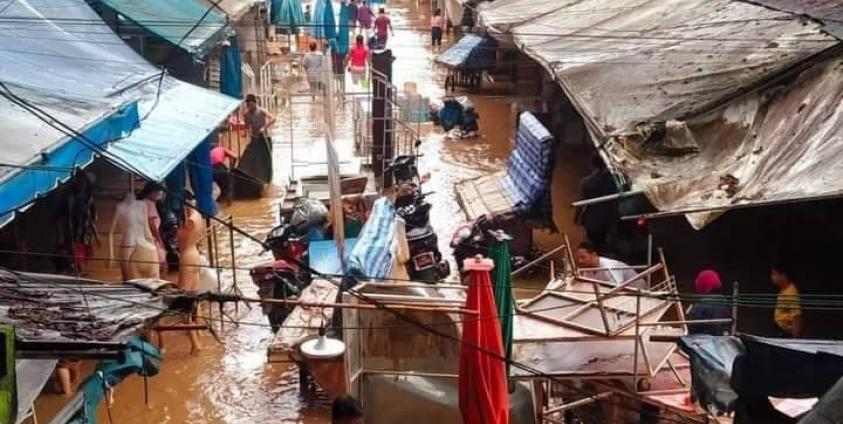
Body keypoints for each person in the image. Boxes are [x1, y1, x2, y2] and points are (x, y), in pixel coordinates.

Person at [575, 156, 619, 252]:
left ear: (593, 165)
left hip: (591, 219)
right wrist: (614, 220)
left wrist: (576, 216)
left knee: (591, 243)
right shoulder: (611, 181)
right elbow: (614, 202)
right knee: (602, 243)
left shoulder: (586, 182)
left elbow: (583, 201)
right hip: (605, 219)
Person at [60, 171, 100, 275]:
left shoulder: (87, 199)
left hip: (82, 232)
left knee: (82, 251)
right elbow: (62, 217)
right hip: (73, 231)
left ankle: (78, 269)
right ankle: (78, 269)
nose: (82, 185)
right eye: (80, 182)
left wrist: (96, 235)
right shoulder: (71, 199)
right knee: (76, 252)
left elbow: (92, 218)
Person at [575, 241, 647, 289]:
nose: (580, 261)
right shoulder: (587, 270)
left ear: (593, 255)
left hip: (636, 290)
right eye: (578, 258)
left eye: (583, 257)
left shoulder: (608, 267)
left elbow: (618, 288)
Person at [686, 269, 733, 336]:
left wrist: (688, 316)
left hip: (704, 340)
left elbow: (691, 329)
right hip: (723, 339)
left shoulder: (700, 305)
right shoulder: (726, 302)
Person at [138, 182, 167, 276]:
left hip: (145, 238)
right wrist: (159, 240)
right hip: (151, 239)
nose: (159, 194)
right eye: (157, 192)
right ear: (150, 192)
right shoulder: (148, 204)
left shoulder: (146, 202)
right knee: (162, 265)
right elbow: (152, 224)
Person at [771, 263, 802, 337]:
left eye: (774, 274)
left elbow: (797, 317)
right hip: (779, 330)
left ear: (783, 276)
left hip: (786, 334)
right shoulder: (783, 290)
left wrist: (794, 339)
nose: (772, 277)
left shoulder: (791, 293)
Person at [210, 140, 237, 205]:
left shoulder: (210, 152)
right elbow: (235, 157)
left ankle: (218, 202)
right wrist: (232, 167)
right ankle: (229, 204)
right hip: (221, 168)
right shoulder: (222, 149)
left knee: (216, 188)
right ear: (217, 146)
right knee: (228, 186)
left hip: (211, 171)